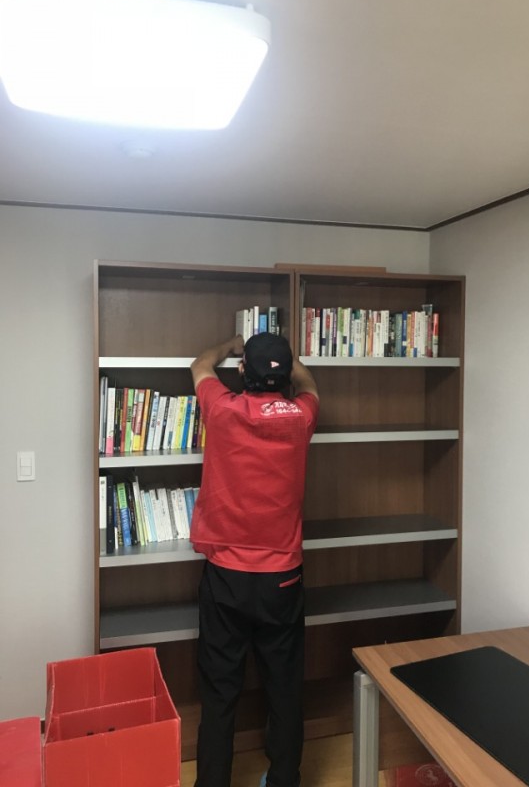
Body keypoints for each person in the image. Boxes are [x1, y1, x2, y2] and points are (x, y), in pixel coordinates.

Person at [189, 332, 319, 787]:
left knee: (219, 692)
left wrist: (228, 346)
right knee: (284, 689)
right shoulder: (303, 416)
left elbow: (199, 365)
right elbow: (310, 383)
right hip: (282, 579)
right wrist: (286, 360)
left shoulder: (222, 410)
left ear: (243, 371)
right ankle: (283, 780)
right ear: (286, 376)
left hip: (226, 577)